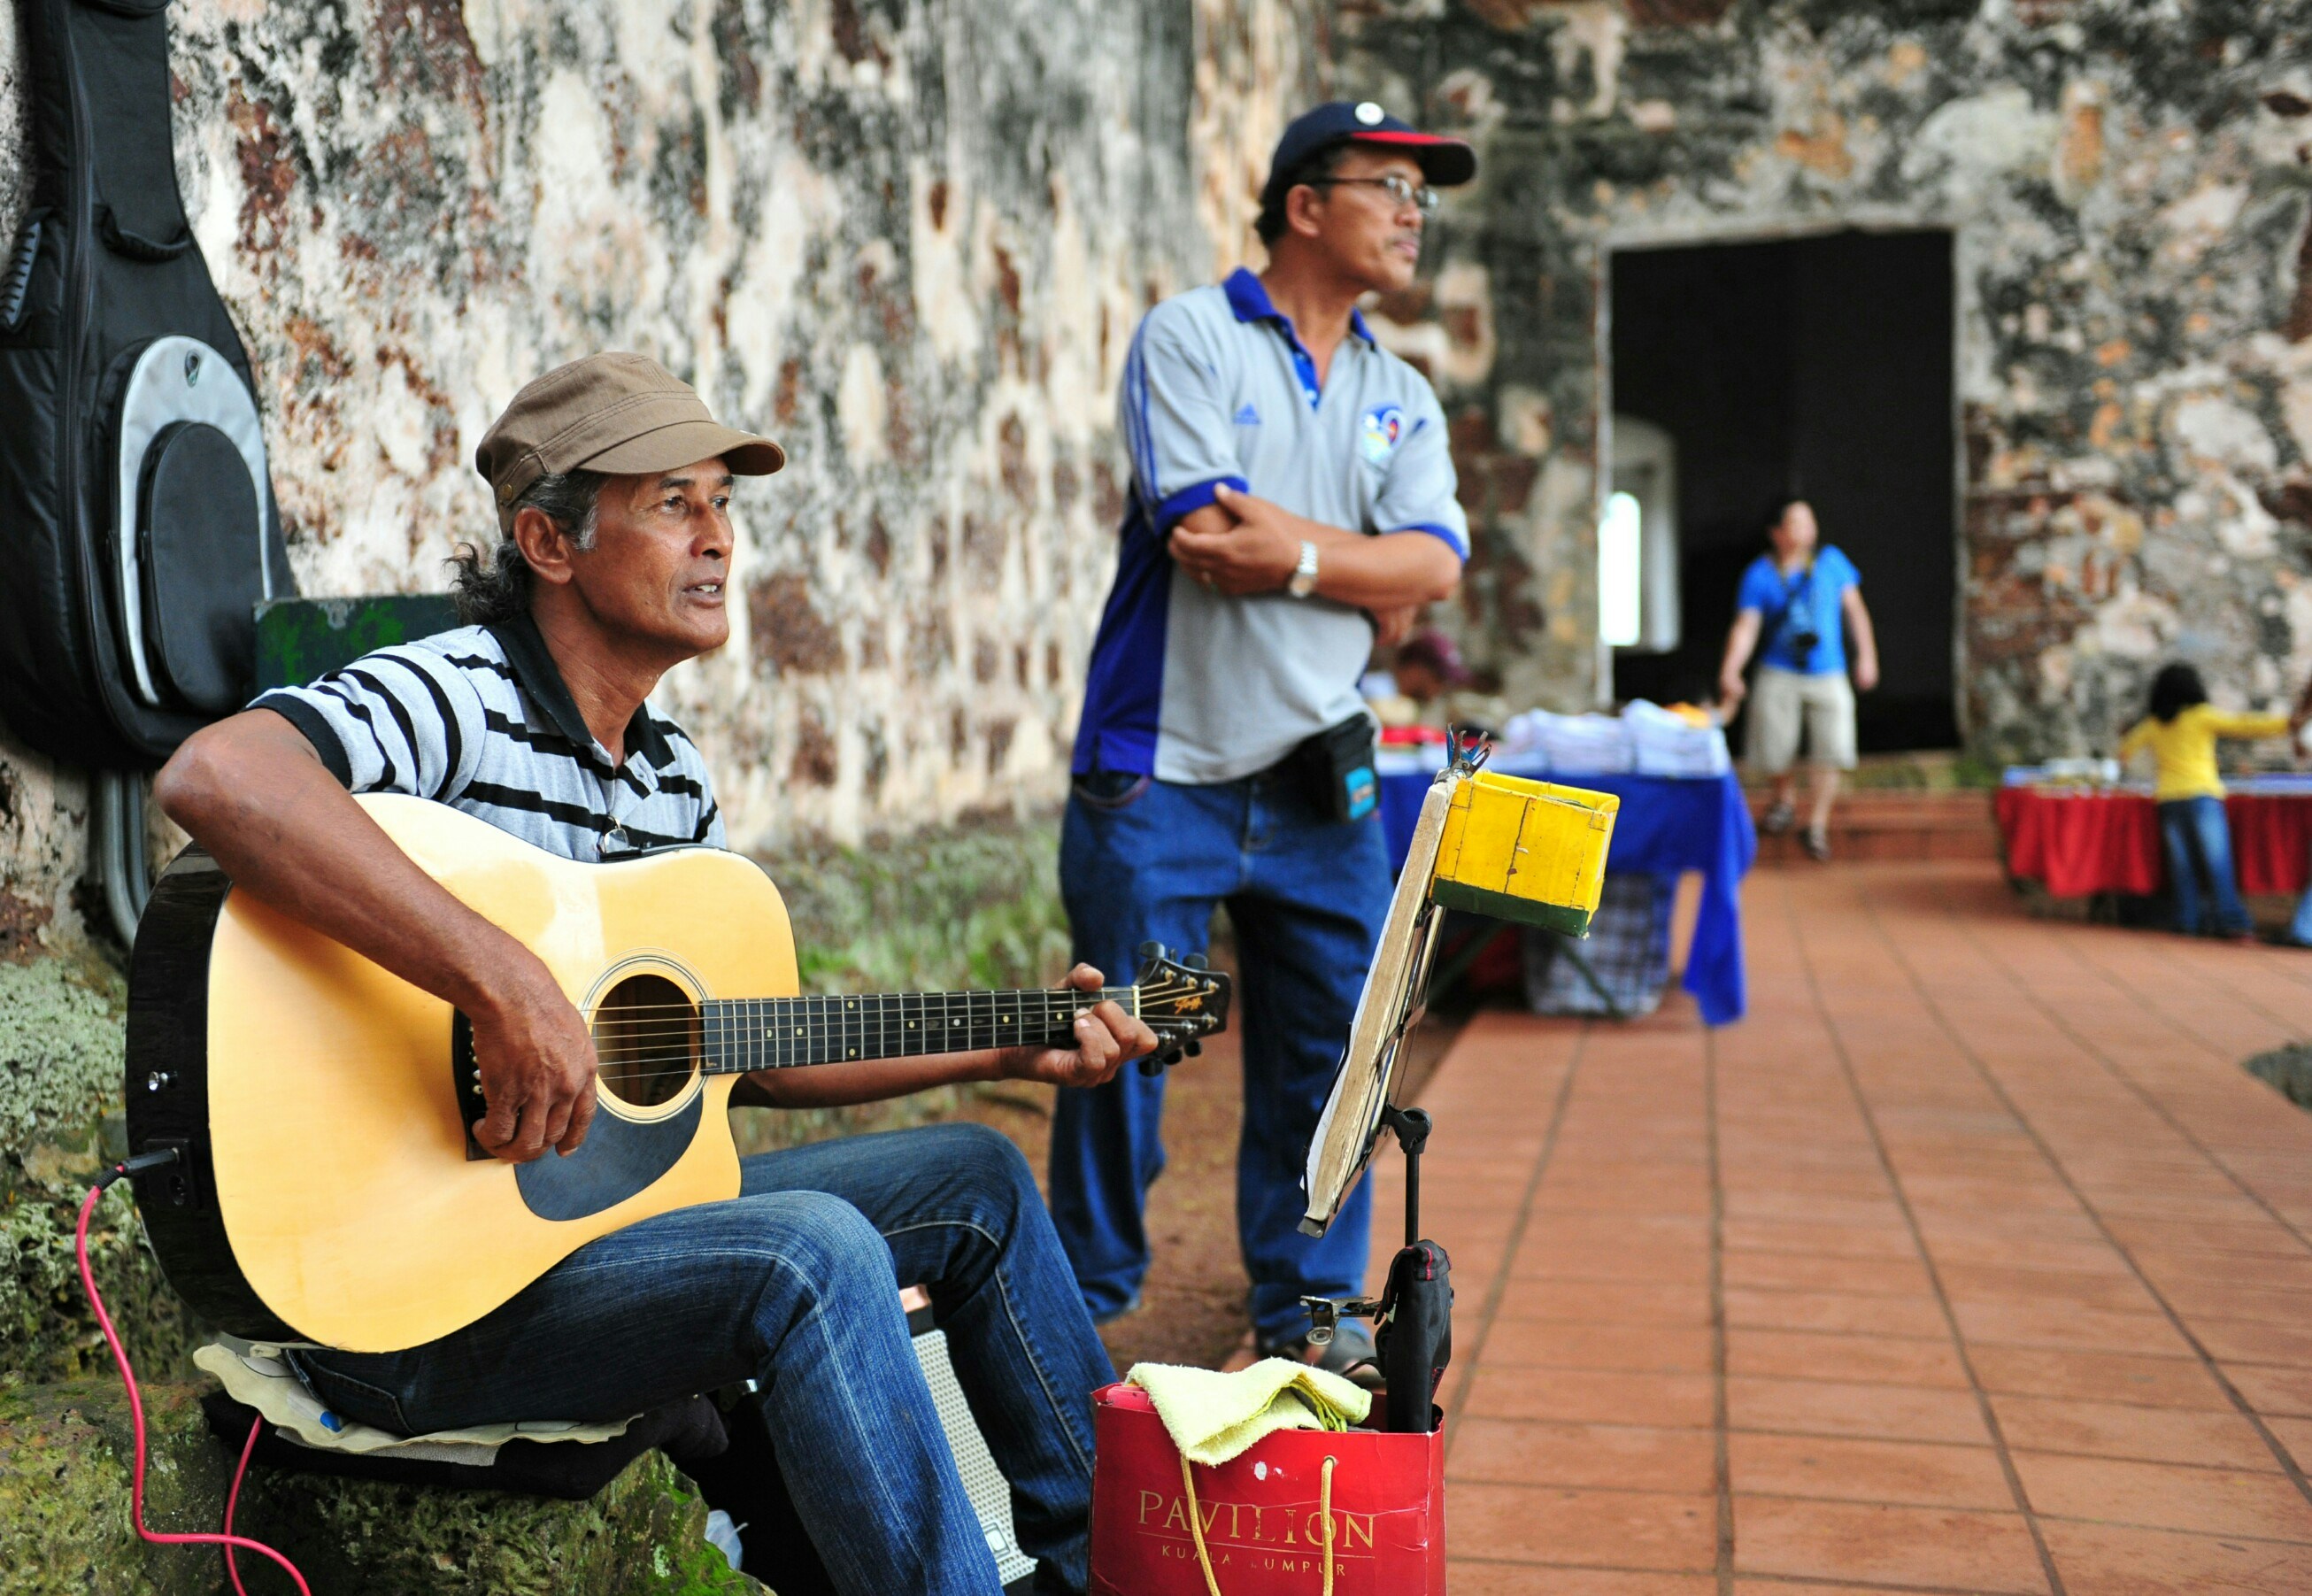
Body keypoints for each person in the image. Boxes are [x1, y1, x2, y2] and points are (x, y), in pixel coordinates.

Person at [150, 352, 1156, 1596]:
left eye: (723, 503)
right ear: (548, 542)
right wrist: (499, 980)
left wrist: (1010, 1043)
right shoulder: (452, 694)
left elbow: (751, 1054)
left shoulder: (671, 773)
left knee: (981, 1180)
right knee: (812, 1250)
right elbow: (221, 776)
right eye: (673, 503)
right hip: (403, 1304)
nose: (718, 538)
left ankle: (1113, 1571)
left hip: (598, 1248)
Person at [1057, 102, 1474, 1371]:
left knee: (1332, 1056)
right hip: (1162, 777)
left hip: (1316, 787)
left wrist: (1294, 552)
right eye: (1388, 188)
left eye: (1422, 197)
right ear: (1304, 203)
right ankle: (1078, 1305)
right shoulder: (1192, 336)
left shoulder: (1399, 393)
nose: (1412, 215)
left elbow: (1436, 565)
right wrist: (1360, 567)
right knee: (1127, 1047)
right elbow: (1203, 534)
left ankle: (1313, 1314)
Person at [1716, 498, 1879, 860]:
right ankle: (1783, 799)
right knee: (1773, 747)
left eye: (1809, 521)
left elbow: (1855, 611)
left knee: (1832, 748)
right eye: (1796, 523)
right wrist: (1731, 669)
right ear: (1776, 533)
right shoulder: (1760, 574)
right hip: (1779, 669)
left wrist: (1867, 656)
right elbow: (1746, 626)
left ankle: (1816, 824)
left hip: (1829, 671)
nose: (1807, 530)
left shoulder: (1831, 561)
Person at [2118, 661, 2290, 941]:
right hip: (2202, 796)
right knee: (2217, 863)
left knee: (2182, 867)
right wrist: (2287, 724)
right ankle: (2231, 921)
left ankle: (2188, 920)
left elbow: (2125, 751)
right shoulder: (2200, 716)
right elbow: (2244, 724)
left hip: (2169, 799)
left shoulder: (2154, 724)